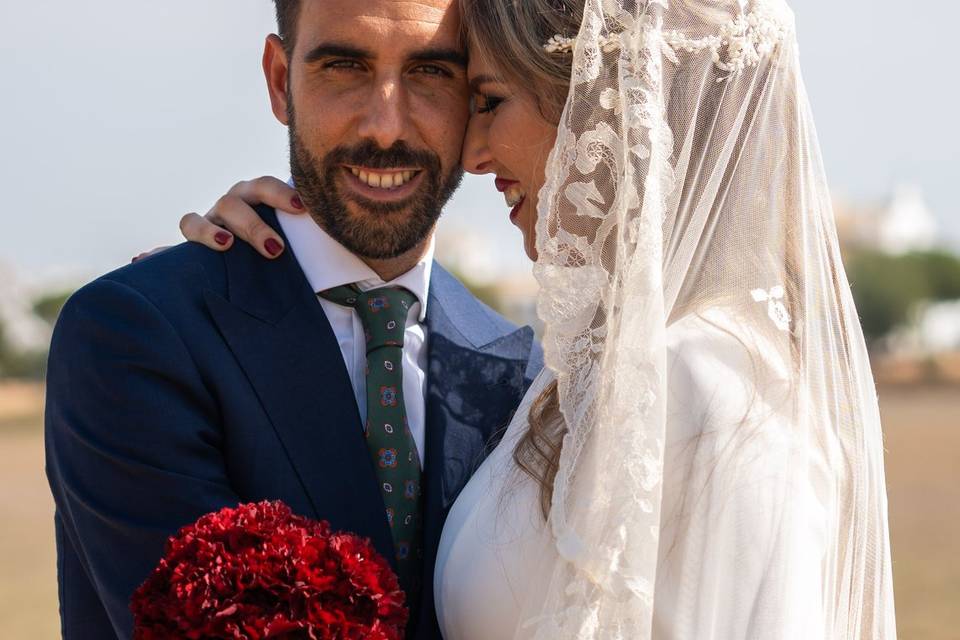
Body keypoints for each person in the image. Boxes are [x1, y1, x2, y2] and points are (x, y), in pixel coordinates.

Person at [183, 0, 899, 637]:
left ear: (604, 104)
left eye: (487, 100)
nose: (470, 149)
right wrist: (228, 286)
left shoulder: (714, 388)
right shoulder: (572, 374)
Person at [44, 2, 543, 639]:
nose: (387, 127)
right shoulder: (134, 335)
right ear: (280, 81)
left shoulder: (524, 374)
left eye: (430, 73)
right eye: (344, 67)